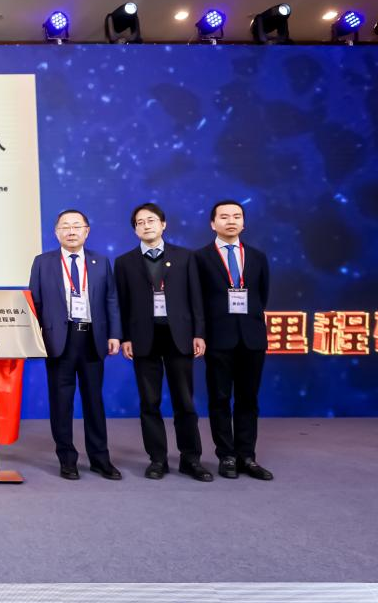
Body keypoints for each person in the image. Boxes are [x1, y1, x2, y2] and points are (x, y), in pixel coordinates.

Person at [114, 203, 212, 482]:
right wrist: (125, 337)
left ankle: (191, 459)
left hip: (178, 336)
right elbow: (122, 303)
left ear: (163, 224)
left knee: (185, 402)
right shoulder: (124, 262)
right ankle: (157, 459)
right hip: (143, 338)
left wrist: (199, 333)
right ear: (135, 230)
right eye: (140, 222)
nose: (146, 225)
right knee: (149, 402)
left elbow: (196, 298)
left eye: (151, 220)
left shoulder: (185, 257)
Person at [29, 209, 122, 481]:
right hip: (59, 340)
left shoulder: (100, 261)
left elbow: (111, 299)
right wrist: (35, 339)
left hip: (92, 338)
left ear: (86, 231)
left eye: (76, 226)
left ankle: (100, 459)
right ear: (56, 232)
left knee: (94, 402)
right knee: (61, 403)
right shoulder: (43, 262)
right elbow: (34, 303)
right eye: (65, 227)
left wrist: (115, 334)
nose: (71, 231)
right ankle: (67, 459)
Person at [195, 200, 273, 481]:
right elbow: (197, 300)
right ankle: (226, 455)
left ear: (243, 222)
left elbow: (262, 295)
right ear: (212, 223)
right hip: (218, 338)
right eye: (224, 216)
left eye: (237, 216)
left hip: (252, 338)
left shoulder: (257, 257)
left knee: (248, 399)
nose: (231, 221)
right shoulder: (200, 258)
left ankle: (247, 456)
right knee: (219, 398)